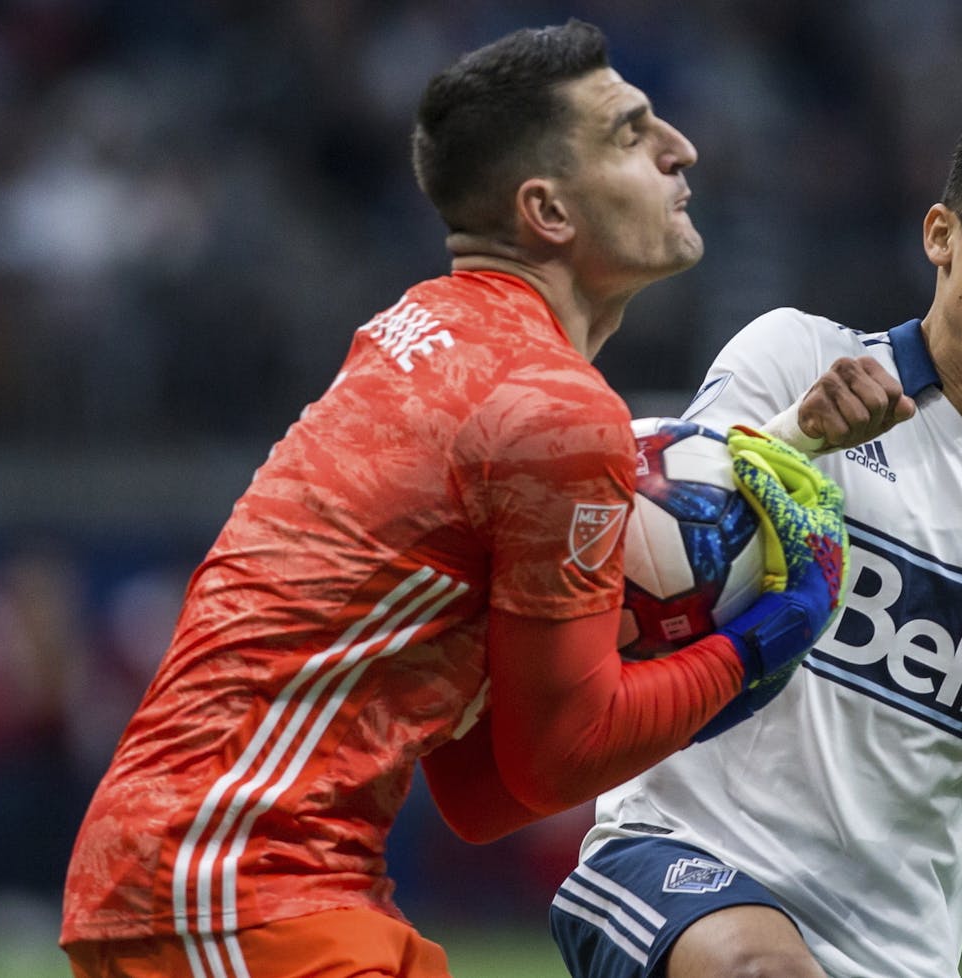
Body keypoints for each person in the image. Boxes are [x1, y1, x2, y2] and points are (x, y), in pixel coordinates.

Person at [59, 20, 850, 978]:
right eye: (631, 133)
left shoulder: (428, 327)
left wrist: (670, 665)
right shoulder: (552, 412)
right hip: (230, 878)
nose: (680, 146)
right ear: (547, 212)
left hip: (261, 873)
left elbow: (485, 792)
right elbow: (564, 754)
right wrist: (763, 639)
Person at [550, 92, 962, 977]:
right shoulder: (799, 359)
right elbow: (655, 545)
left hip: (898, 955)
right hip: (675, 864)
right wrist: (792, 442)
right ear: (941, 235)